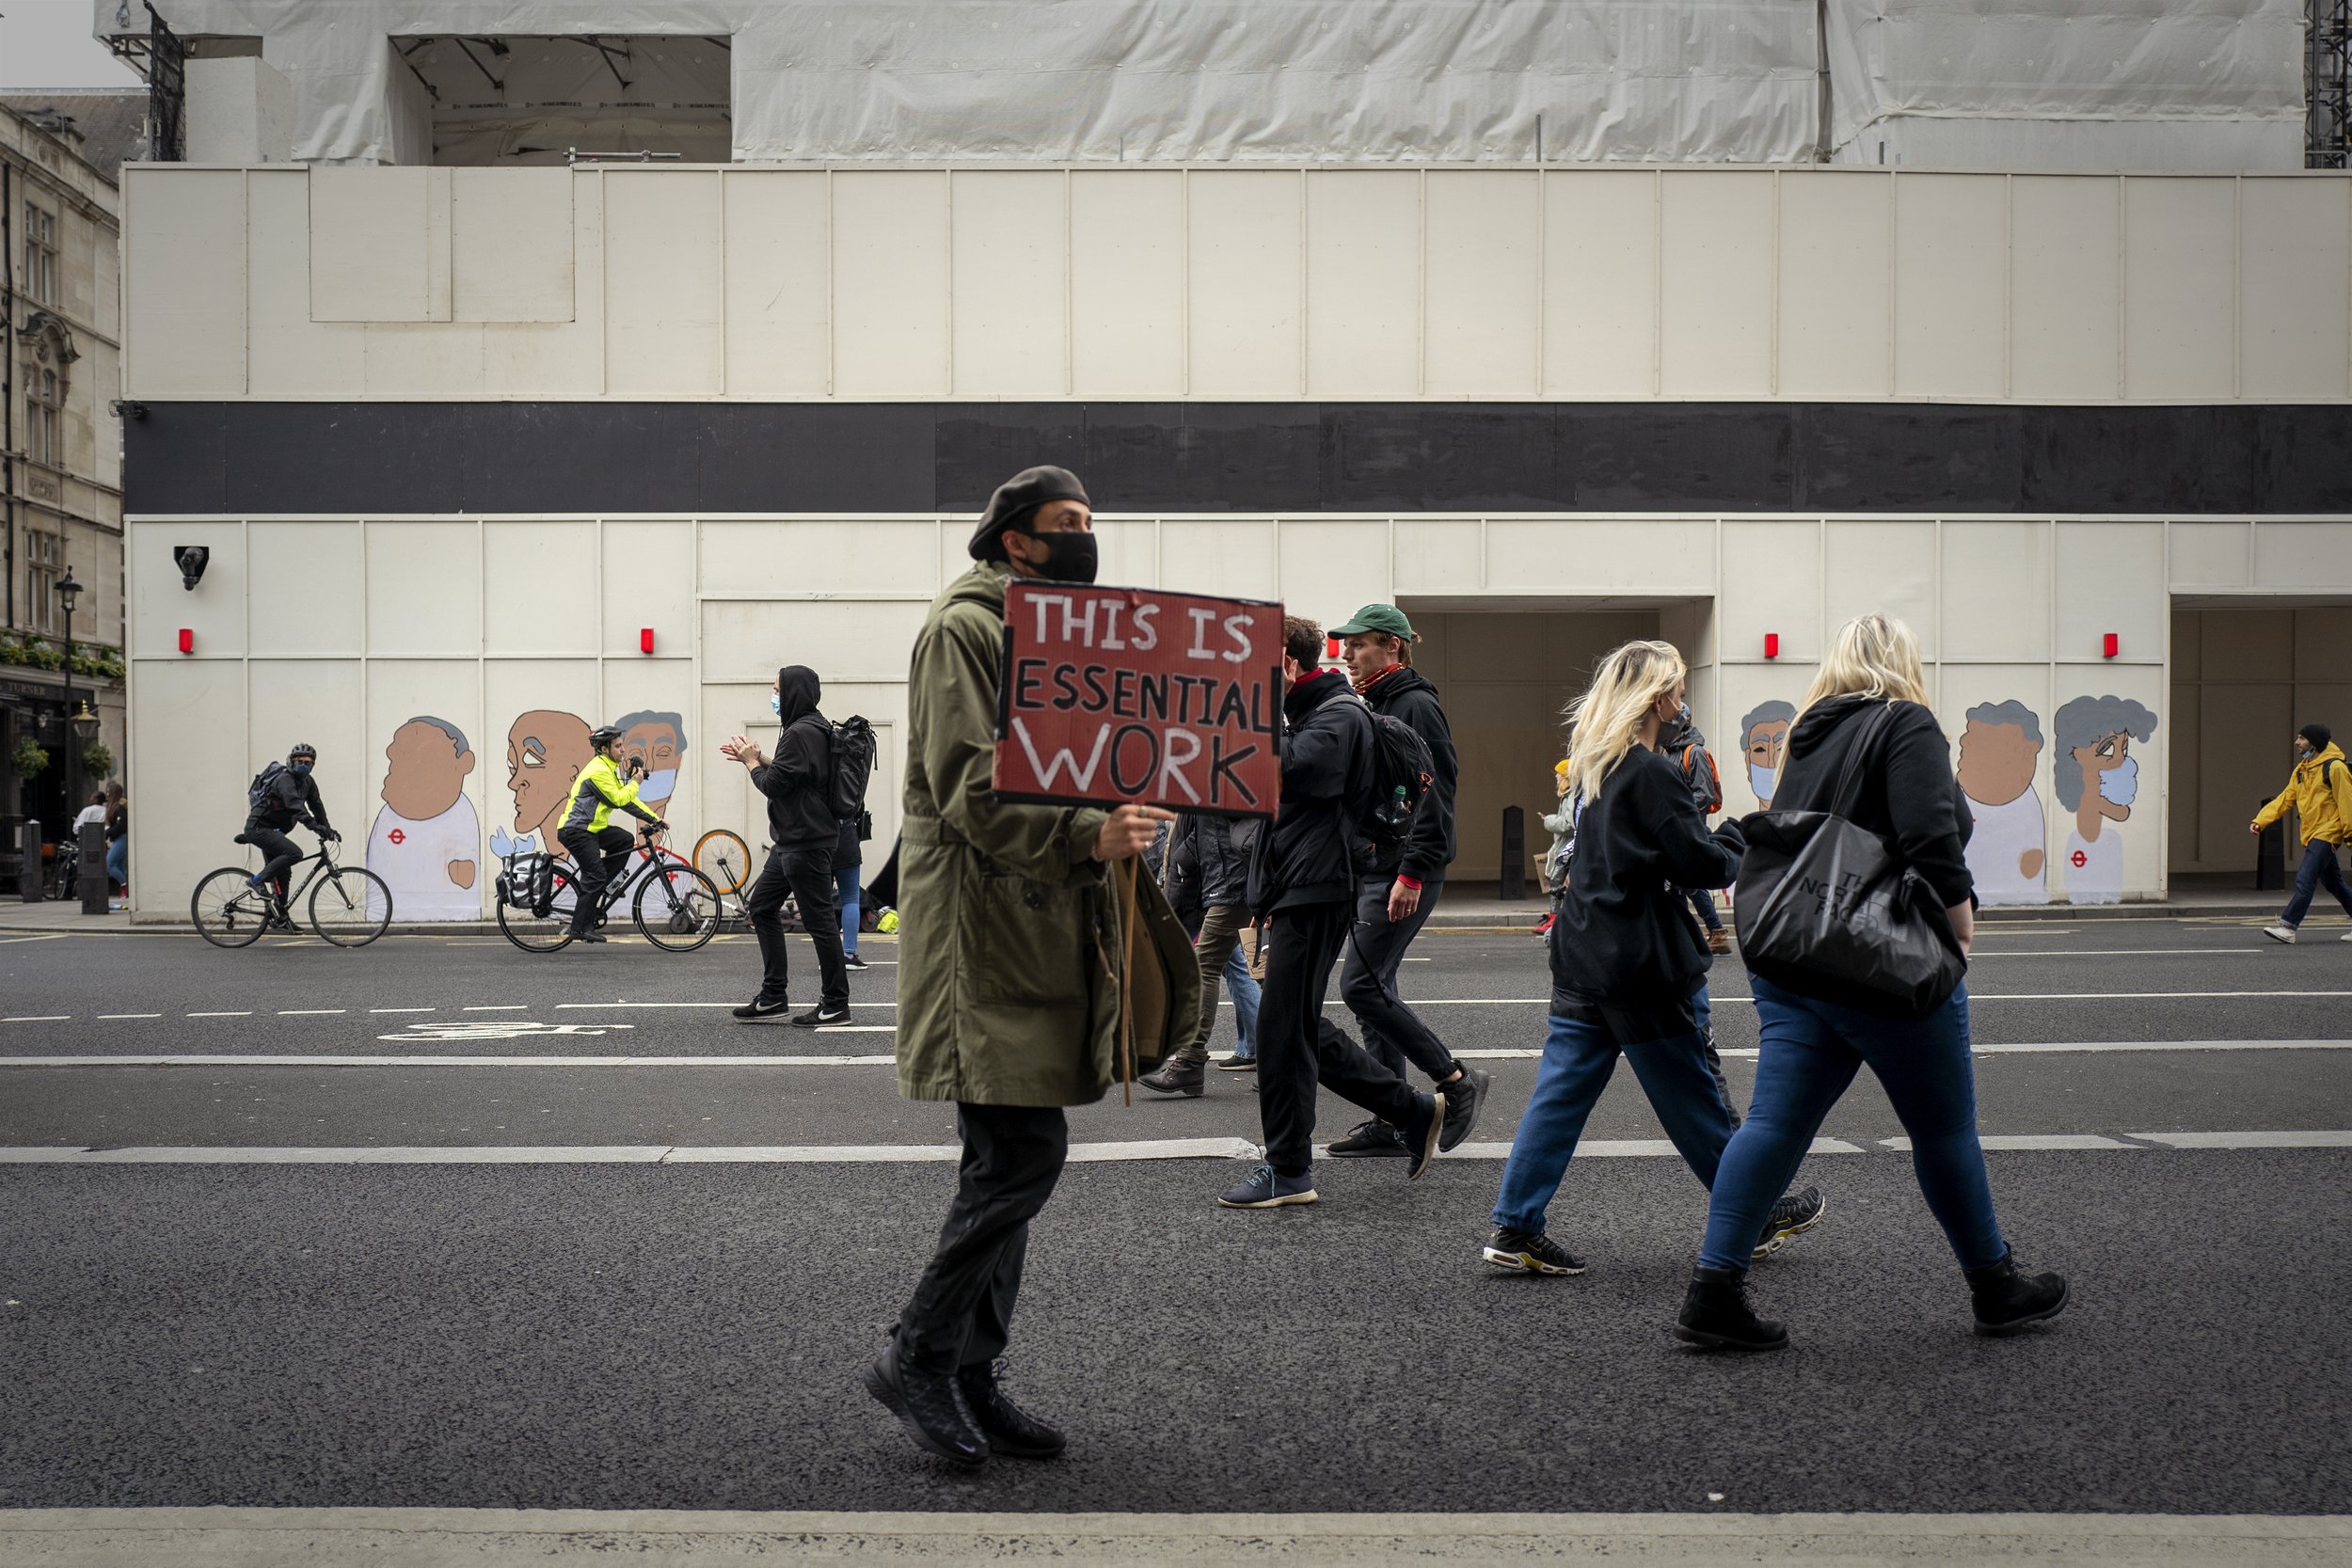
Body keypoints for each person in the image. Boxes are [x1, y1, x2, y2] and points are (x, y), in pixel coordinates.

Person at [867, 463, 1182, 1467]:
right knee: (1021, 1157)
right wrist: (1091, 833)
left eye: (1091, 517)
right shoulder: (967, 627)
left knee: (1007, 1159)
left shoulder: (1052, 633)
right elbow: (971, 784)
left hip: (1030, 923)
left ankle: (967, 1371)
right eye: (1065, 522)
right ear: (1014, 539)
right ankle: (918, 1352)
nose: (1085, 535)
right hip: (982, 930)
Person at [1675, 613, 2065, 1352]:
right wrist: (1961, 924)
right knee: (1943, 1126)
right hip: (1880, 958)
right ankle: (1995, 1285)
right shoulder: (1905, 722)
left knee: (1773, 1124)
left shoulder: (1806, 736)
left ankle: (1714, 1291)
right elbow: (1929, 833)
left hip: (1797, 959)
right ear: (1902, 663)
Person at [1483, 641, 1820, 1278]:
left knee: (1557, 1096)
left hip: (1583, 953)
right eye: (1679, 689)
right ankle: (1754, 1215)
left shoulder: (1592, 765)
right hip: (1641, 964)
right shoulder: (1651, 771)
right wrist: (1744, 832)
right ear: (1661, 697)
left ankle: (1515, 1224)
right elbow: (1699, 861)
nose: (1683, 700)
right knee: (1693, 1098)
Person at [1219, 615, 1449, 1211]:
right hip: (1300, 885)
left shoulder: (1339, 714)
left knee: (1282, 1030)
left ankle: (1290, 1168)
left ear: (1290, 664)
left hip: (1321, 886)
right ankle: (1410, 1108)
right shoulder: (1315, 713)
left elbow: (1293, 772)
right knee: (1292, 1025)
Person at [1320, 605, 1490, 1157]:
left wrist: (1413, 871)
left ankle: (1457, 1082)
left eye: (1359, 645)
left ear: (1392, 647)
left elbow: (1435, 794)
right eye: (1346, 646)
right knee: (1376, 987)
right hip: (1380, 866)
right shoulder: (1377, 702)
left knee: (1361, 988)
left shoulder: (1413, 704)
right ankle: (1392, 1117)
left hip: (1404, 870)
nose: (1347, 654)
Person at [722, 668, 851, 1024]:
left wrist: (750, 764)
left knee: (820, 921)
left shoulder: (799, 732)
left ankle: (836, 1002)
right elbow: (794, 775)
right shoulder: (815, 727)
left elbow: (774, 785)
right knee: (762, 906)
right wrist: (758, 758)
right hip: (793, 840)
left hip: (805, 841)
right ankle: (774, 995)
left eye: (777, 689)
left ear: (793, 692)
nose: (773, 694)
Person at [1139, 809, 1263, 1092]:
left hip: (1233, 881)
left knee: (1204, 967)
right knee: (1260, 971)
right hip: (1228, 880)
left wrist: (1182, 860)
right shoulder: (1213, 779)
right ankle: (1287, 1059)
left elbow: (1221, 831)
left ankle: (1191, 1063)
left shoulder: (1222, 777)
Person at [554, 725, 663, 945]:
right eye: (618, 746)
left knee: (623, 839)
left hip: (591, 828)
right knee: (594, 876)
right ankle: (579, 928)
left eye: (622, 745)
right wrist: (635, 782)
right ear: (604, 749)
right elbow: (617, 800)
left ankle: (599, 883)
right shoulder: (598, 771)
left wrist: (654, 819)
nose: (623, 749)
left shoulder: (608, 768)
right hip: (577, 830)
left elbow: (627, 800)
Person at [367, 716, 481, 920]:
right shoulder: (387, 817)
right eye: (401, 758)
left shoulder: (461, 814)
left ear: (463, 763)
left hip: (448, 906)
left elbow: (465, 873)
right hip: (384, 910)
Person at [2254, 722, 2352, 943]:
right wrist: (2261, 820)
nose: (2297, 742)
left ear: (2315, 743)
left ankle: (2288, 927)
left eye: (2302, 738)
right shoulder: (2302, 770)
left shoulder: (2335, 768)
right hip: (2312, 833)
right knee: (2334, 883)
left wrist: (2350, 836)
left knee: (2305, 878)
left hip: (2328, 832)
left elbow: (2347, 804)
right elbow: (2286, 798)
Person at [1659, 703, 1731, 956]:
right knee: (1682, 881)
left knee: (1684, 881)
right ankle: (1709, 932)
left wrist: (1677, 812)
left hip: (1688, 826)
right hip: (1670, 827)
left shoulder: (1694, 752)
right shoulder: (1667, 752)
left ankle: (1708, 933)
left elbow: (1705, 794)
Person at [244, 742, 336, 927]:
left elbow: (316, 805)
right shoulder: (284, 780)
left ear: (313, 765)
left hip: (275, 831)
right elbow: (296, 807)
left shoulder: (307, 782)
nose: (304, 764)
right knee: (295, 854)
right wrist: (314, 827)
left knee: (283, 873)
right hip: (259, 828)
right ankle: (256, 881)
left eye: (308, 762)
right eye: (299, 761)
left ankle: (280, 917)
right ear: (291, 761)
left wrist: (327, 828)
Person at [837, 804, 870, 973]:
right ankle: (849, 954)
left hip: (819, 837)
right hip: (846, 837)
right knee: (850, 899)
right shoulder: (852, 776)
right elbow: (857, 806)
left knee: (822, 902)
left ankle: (828, 955)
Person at [103, 782, 127, 910]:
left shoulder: (119, 808)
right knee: (119, 865)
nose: (106, 794)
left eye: (108, 792)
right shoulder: (113, 808)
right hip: (118, 839)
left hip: (121, 839)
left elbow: (121, 826)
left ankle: (125, 886)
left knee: (109, 864)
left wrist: (108, 833)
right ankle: (124, 890)